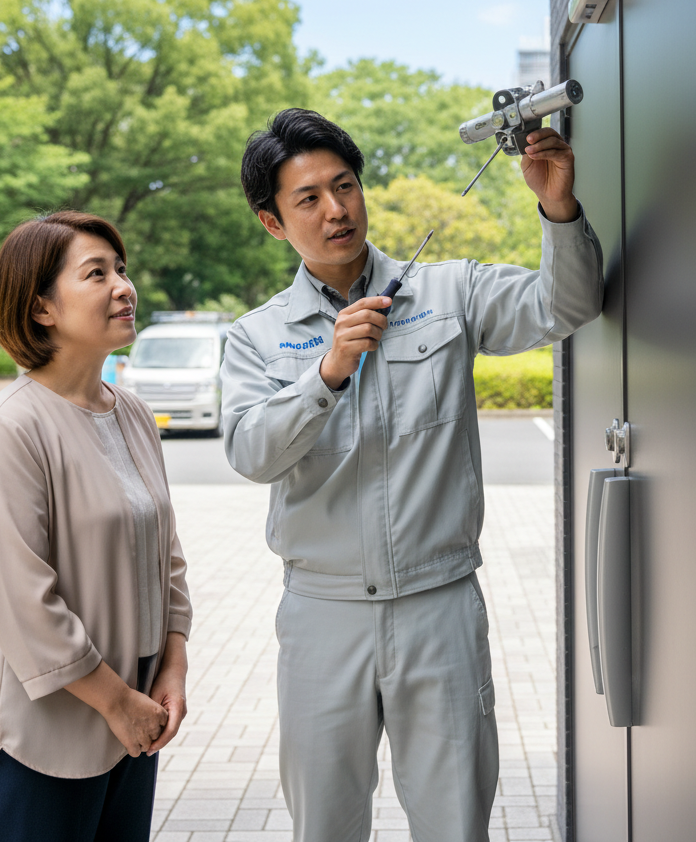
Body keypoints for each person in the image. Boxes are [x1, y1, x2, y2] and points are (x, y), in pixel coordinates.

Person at [220, 109, 604, 842]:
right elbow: (248, 450)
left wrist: (558, 208)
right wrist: (326, 373)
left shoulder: (449, 291)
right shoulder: (255, 337)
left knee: (457, 823)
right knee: (325, 827)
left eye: (346, 185)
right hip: (322, 615)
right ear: (273, 223)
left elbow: (569, 303)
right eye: (309, 198)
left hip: (441, 602)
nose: (336, 209)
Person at [0, 211, 192, 842]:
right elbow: (24, 602)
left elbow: (166, 555)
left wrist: (173, 665)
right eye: (96, 273)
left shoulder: (133, 414)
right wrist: (117, 702)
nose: (122, 286)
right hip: (38, 740)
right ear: (41, 309)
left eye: (121, 269)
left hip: (132, 724)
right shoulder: (10, 431)